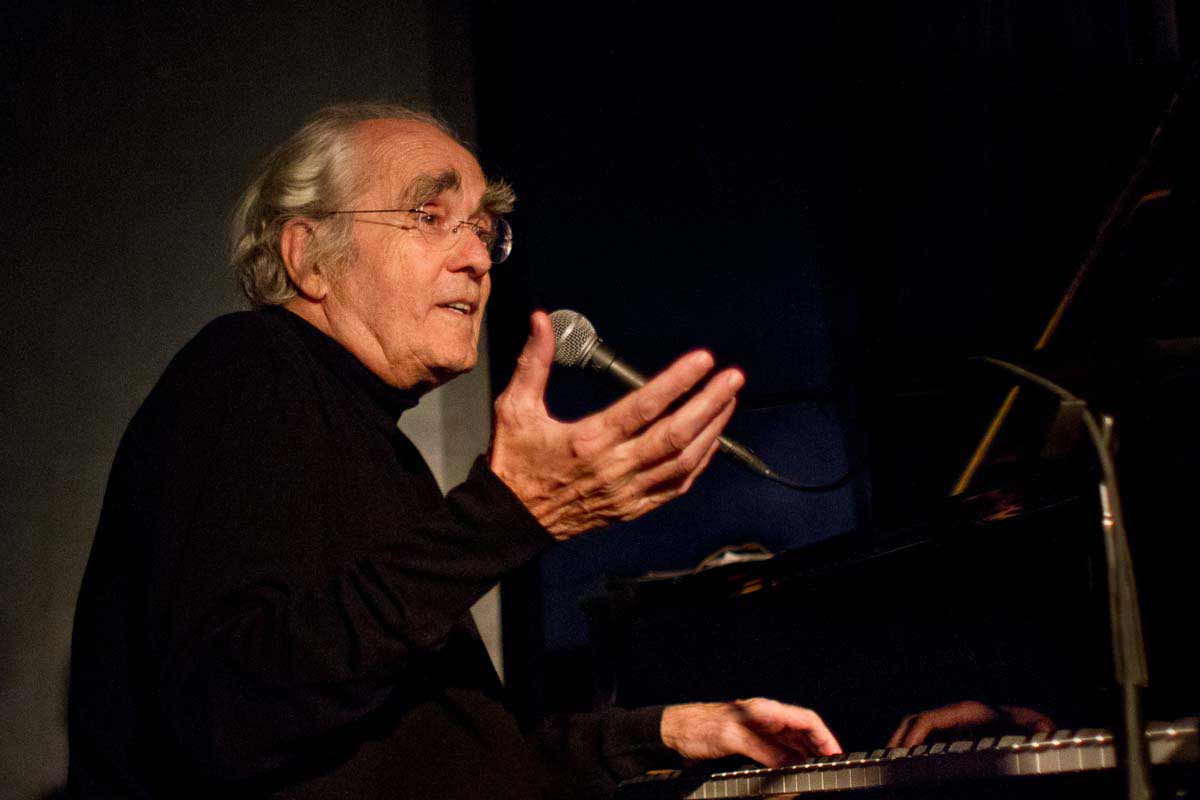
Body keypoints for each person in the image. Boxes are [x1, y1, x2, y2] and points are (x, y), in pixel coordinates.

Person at [67, 104, 844, 800]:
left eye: (483, 229)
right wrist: (508, 514)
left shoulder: (377, 443)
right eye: (429, 215)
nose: (476, 258)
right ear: (309, 256)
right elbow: (227, 711)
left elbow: (459, 759)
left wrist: (668, 733)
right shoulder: (245, 369)